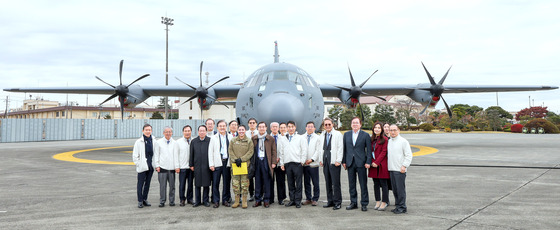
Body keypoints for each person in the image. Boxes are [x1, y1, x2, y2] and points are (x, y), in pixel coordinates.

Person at [342, 117, 372, 211]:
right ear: (351, 124)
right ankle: (353, 202)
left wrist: (368, 161)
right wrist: (344, 161)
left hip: (361, 163)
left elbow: (369, 150)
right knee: (352, 184)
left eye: (357, 123)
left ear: (360, 124)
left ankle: (364, 203)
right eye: (353, 123)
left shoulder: (365, 135)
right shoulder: (346, 135)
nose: (355, 124)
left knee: (363, 184)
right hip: (350, 162)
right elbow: (344, 149)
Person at [279, 121, 307, 208]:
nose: (291, 128)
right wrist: (282, 163)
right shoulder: (283, 138)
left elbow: (304, 150)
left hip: (297, 163)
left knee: (298, 183)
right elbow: (281, 152)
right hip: (288, 163)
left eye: (292, 127)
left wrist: (302, 161)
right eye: (289, 127)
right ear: (287, 128)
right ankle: (292, 200)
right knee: (290, 183)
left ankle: (298, 201)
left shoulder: (300, 138)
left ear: (295, 127)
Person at [317, 118, 344, 210]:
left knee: (335, 183)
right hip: (325, 160)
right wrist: (320, 160)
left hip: (334, 161)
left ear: (333, 124)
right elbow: (320, 148)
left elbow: (340, 148)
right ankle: (330, 201)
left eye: (329, 124)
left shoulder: (338, 134)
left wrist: (338, 160)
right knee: (328, 182)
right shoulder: (322, 135)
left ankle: (337, 202)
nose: (327, 126)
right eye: (326, 125)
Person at [387, 124, 412, 214]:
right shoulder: (390, 141)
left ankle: (402, 206)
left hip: (399, 169)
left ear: (399, 130)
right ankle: (398, 205)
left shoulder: (403, 141)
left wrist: (404, 166)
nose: (393, 132)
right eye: (391, 130)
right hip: (391, 169)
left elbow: (408, 155)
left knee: (400, 189)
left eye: (394, 130)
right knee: (395, 189)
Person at [208, 120, 234, 208]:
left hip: (227, 162)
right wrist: (211, 164)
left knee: (226, 182)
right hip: (217, 163)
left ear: (226, 127)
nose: (222, 128)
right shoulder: (213, 138)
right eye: (220, 126)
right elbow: (210, 151)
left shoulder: (230, 137)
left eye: (224, 126)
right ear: (217, 128)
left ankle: (225, 200)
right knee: (215, 183)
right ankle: (216, 200)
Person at [251, 122, 277, 208]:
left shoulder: (270, 139)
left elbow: (274, 151)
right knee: (257, 182)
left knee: (267, 182)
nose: (261, 128)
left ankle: (266, 200)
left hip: (266, 161)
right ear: (257, 128)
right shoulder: (254, 138)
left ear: (266, 128)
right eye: (260, 127)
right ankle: (258, 200)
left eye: (263, 127)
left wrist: (273, 162)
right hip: (257, 161)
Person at [228, 125, 254, 209]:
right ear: (237, 131)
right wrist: (236, 159)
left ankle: (244, 201)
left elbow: (250, 152)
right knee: (235, 184)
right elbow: (230, 151)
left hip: (245, 166)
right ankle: (236, 201)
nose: (241, 131)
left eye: (243, 130)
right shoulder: (233, 140)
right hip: (235, 165)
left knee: (244, 184)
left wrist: (241, 159)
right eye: (240, 130)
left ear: (245, 130)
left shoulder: (249, 141)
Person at [154, 127, 180, 207]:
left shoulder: (175, 143)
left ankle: (171, 201)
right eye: (166, 132)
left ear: (172, 133)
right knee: (162, 186)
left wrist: (177, 167)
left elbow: (176, 156)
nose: (168, 133)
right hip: (162, 167)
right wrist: (157, 165)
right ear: (163, 133)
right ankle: (162, 201)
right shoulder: (158, 142)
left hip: (171, 168)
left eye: (169, 132)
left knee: (172, 186)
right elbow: (156, 155)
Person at [132, 124, 157, 208]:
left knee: (147, 184)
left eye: (149, 130)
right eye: (146, 130)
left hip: (150, 166)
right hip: (142, 166)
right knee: (140, 184)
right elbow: (135, 156)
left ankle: (145, 199)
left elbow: (155, 153)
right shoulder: (138, 142)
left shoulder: (154, 140)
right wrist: (139, 164)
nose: (148, 131)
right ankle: (140, 200)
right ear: (143, 131)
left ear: (151, 131)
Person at [368, 122, 390, 211]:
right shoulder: (371, 139)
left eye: (379, 128)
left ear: (381, 130)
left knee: (384, 184)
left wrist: (377, 162)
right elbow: (369, 151)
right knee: (375, 184)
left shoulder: (385, 139)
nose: (377, 129)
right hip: (373, 165)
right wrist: (372, 162)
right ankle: (377, 201)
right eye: (375, 127)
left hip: (381, 165)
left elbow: (384, 152)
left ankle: (384, 202)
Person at [189, 125, 212, 207]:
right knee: (197, 184)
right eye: (200, 131)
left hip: (207, 165)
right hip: (197, 165)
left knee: (206, 184)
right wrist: (191, 164)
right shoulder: (194, 141)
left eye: (203, 131)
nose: (202, 132)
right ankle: (198, 201)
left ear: (206, 132)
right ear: (198, 132)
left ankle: (206, 201)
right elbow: (191, 154)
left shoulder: (209, 140)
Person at [302, 121, 320, 206]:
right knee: (306, 182)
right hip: (305, 164)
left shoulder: (317, 138)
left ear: (314, 128)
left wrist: (312, 159)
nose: (310, 128)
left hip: (313, 164)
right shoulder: (302, 137)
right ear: (306, 128)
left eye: (311, 126)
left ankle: (315, 198)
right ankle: (308, 198)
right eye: (308, 126)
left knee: (315, 182)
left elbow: (318, 150)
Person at [269, 122, 286, 205]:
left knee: (281, 181)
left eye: (276, 127)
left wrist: (279, 159)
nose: (275, 128)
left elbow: (283, 151)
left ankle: (281, 198)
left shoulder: (282, 138)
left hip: (279, 163)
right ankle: (270, 198)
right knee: (270, 181)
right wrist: (273, 160)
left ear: (278, 128)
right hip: (270, 163)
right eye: (273, 127)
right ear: (270, 128)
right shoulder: (267, 138)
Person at [177, 125, 194, 206]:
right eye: (185, 131)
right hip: (182, 167)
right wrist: (177, 166)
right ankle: (182, 199)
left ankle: (190, 199)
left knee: (190, 184)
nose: (187, 132)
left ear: (191, 132)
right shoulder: (178, 142)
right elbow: (176, 155)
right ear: (183, 132)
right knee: (182, 184)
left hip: (191, 167)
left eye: (189, 131)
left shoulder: (194, 141)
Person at [245, 117, 258, 201]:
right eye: (250, 123)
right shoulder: (245, 133)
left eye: (253, 123)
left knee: (258, 177)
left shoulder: (259, 132)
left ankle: (258, 193)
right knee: (249, 177)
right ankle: (251, 194)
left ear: (256, 124)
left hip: (257, 158)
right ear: (248, 124)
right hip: (248, 158)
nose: (252, 124)